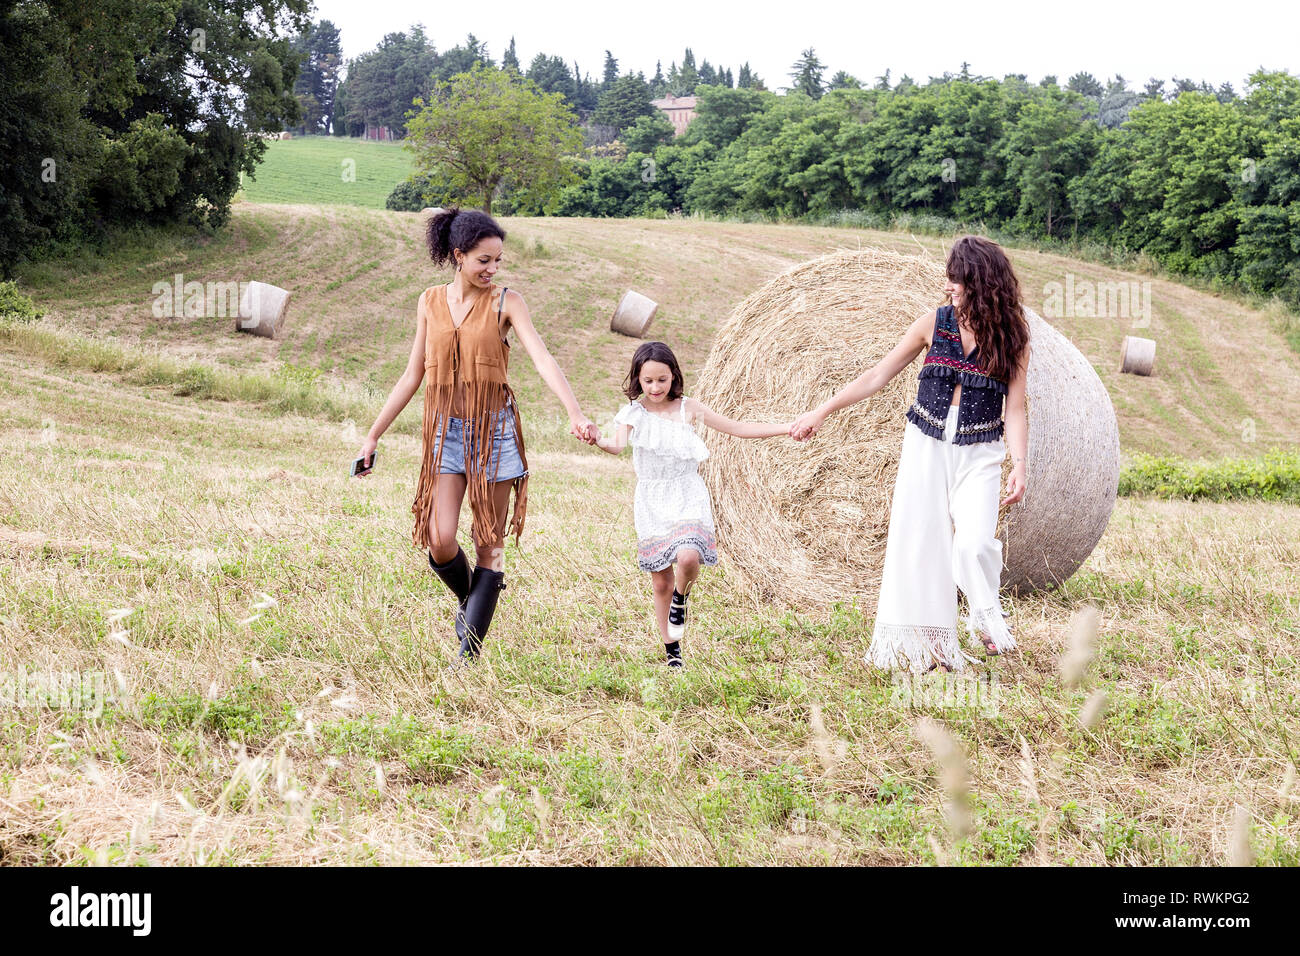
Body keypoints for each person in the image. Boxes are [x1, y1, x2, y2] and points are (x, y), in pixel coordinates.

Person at [356, 206, 597, 660]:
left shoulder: (508, 302)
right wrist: (372, 436)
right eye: (484, 260)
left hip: (495, 434)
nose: (492, 269)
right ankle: (473, 603)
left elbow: (543, 359)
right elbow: (412, 376)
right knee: (439, 538)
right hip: (445, 433)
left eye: (498, 260)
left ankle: (469, 653)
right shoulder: (429, 302)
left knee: (489, 542)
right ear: (458, 255)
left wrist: (574, 412)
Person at [790, 235, 1030, 672]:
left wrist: (1020, 462)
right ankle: (927, 647)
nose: (948, 286)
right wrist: (822, 410)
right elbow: (877, 375)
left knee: (974, 543)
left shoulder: (1013, 338)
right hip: (926, 443)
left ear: (979, 281)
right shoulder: (932, 323)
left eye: (956, 278)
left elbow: (1015, 407)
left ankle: (984, 614)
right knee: (920, 542)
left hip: (981, 449)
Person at [593, 341, 790, 667]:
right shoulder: (634, 413)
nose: (655, 387)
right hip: (652, 498)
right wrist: (594, 438)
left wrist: (786, 428)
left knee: (688, 556)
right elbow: (615, 446)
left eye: (662, 379)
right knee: (660, 582)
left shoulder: (689, 408)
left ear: (674, 377)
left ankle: (681, 599)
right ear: (638, 380)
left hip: (687, 493)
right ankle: (673, 652)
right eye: (648, 381)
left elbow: (737, 428)